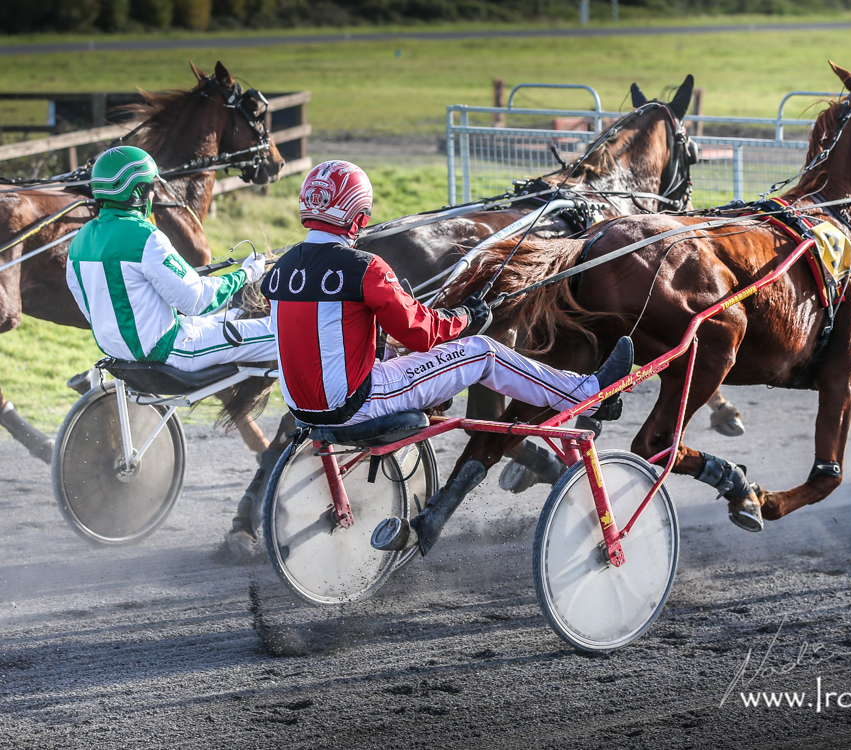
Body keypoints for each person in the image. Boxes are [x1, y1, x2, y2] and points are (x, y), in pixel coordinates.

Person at [262, 160, 633, 556]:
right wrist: (466, 318)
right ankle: (585, 391)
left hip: (305, 411)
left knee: (408, 356)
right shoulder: (365, 268)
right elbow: (422, 334)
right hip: (358, 403)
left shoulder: (280, 270)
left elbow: (324, 337)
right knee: (483, 352)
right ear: (357, 217)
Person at [66, 146, 275, 371]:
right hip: (170, 351)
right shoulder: (144, 236)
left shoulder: (80, 239)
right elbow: (197, 301)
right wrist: (245, 274)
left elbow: (90, 307)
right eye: (151, 187)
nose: (153, 194)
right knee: (280, 333)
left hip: (118, 351)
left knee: (236, 315)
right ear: (136, 191)